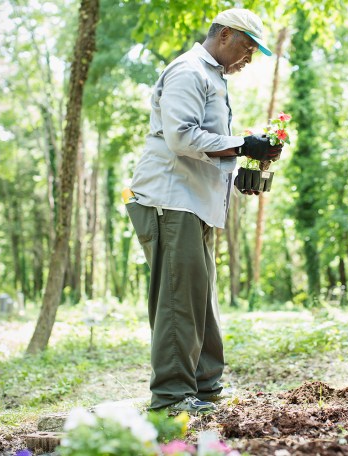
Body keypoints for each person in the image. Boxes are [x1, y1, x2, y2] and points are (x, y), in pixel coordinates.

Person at [124, 8, 283, 414]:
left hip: (195, 202)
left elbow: (209, 144)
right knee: (179, 299)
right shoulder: (189, 71)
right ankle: (172, 399)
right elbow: (181, 137)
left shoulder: (213, 76)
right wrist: (244, 145)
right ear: (225, 35)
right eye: (247, 47)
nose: (249, 58)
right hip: (169, 199)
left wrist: (244, 160)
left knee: (200, 298)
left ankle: (206, 388)